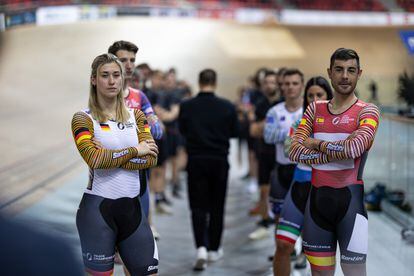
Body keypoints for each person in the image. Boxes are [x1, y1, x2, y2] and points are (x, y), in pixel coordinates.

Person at [289, 48, 380, 276]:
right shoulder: (315, 108)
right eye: (339, 70)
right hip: (316, 204)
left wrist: (316, 143)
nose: (345, 76)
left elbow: (355, 148)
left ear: (360, 73)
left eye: (351, 70)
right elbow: (294, 150)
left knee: (355, 273)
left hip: (352, 208)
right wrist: (339, 149)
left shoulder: (368, 111)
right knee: (319, 273)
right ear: (330, 73)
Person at [71, 53, 159, 275]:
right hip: (97, 212)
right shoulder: (83, 118)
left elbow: (151, 157)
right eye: (105, 75)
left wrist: (113, 157)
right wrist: (134, 151)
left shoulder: (136, 116)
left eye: (116, 75)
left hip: (133, 212)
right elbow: (94, 159)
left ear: (122, 79)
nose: (111, 81)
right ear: (94, 80)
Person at [178, 69, 239, 271]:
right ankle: (214, 249)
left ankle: (201, 248)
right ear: (215, 82)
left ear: (199, 82)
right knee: (217, 205)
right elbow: (234, 132)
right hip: (219, 160)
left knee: (197, 206)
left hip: (196, 160)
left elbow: (182, 130)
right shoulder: (227, 106)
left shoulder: (187, 106)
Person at [272, 76, 333, 275]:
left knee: (319, 258)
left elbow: (345, 155)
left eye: (320, 95)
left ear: (328, 96)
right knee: (282, 245)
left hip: (325, 194)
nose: (315, 99)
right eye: (311, 95)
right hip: (299, 189)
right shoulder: (300, 122)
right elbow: (291, 151)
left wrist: (309, 147)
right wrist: (324, 151)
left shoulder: (337, 125)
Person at [108, 40, 163, 219]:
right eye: (124, 60)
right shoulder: (102, 96)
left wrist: (150, 125)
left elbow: (157, 131)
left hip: (138, 174)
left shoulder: (139, 96)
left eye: (132, 60)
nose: (129, 65)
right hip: (111, 177)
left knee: (140, 227)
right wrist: (141, 127)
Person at [263, 68, 305, 268]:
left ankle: (303, 253)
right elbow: (267, 136)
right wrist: (295, 135)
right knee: (279, 217)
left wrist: (286, 135)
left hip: (304, 170)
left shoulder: (309, 110)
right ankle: (281, 253)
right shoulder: (275, 111)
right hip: (281, 170)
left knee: (307, 215)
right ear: (282, 86)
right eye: (286, 84)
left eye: (295, 83)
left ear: (301, 85)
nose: (290, 87)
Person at [248, 70, 283, 240]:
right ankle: (264, 220)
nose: (270, 85)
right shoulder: (261, 104)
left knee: (281, 192)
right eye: (267, 82)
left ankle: (282, 226)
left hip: (282, 154)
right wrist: (270, 124)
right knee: (263, 190)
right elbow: (254, 130)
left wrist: (267, 127)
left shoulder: (283, 103)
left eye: (273, 82)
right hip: (264, 151)